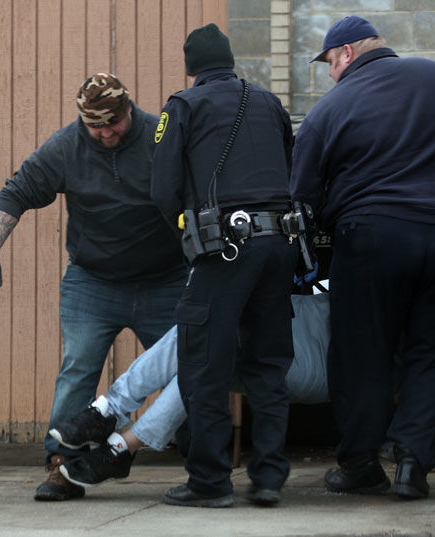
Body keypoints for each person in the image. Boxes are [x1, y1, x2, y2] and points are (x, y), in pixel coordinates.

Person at [290, 16, 435, 499]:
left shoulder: (332, 105)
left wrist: (319, 239)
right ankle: (412, 464)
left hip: (370, 238)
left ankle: (361, 462)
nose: (330, 74)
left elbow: (301, 191)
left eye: (329, 64)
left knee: (363, 352)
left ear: (345, 54)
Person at [0, 73, 186, 502]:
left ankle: (203, 462)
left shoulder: (160, 137)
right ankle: (61, 469)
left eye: (115, 122)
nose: (107, 132)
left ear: (129, 109)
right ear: (82, 120)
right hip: (93, 282)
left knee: (194, 364)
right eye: (97, 126)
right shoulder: (66, 147)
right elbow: (16, 191)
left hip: (166, 279)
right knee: (78, 371)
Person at [149, 23, 298, 508]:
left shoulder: (183, 106)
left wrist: (189, 239)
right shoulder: (270, 103)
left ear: (192, 66)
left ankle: (210, 481)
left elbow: (162, 189)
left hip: (224, 250)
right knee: (268, 365)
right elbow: (290, 169)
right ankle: (270, 477)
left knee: (203, 364)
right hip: (279, 245)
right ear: (231, 60)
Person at [50, 293, 330, 489]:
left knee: (202, 332)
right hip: (273, 341)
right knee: (198, 351)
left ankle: (109, 412)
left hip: (307, 357)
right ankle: (121, 444)